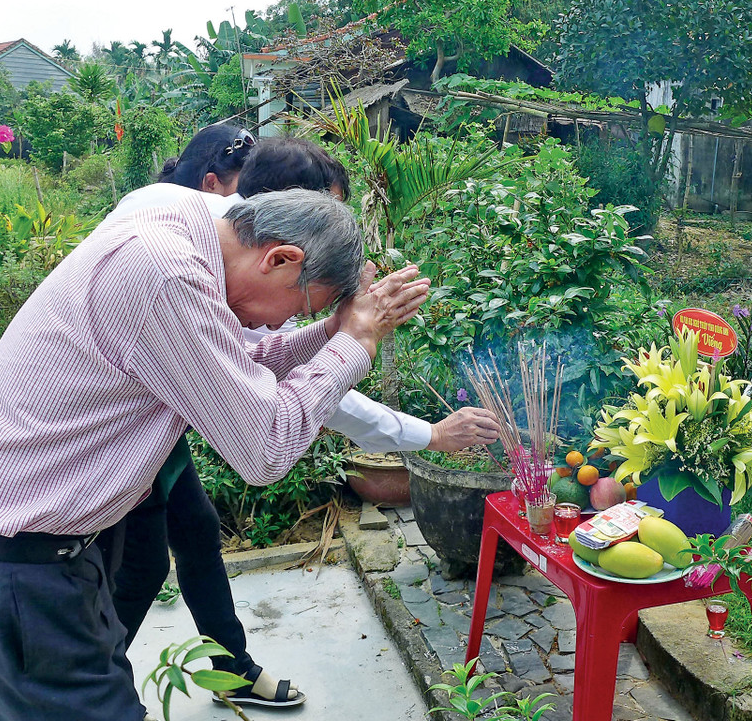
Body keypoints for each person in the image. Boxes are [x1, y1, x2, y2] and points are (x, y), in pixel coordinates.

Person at [0, 188, 491, 721]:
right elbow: (264, 449)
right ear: (280, 258)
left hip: (33, 555)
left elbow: (240, 366)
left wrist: (335, 330)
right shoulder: (167, 275)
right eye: (299, 308)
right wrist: (356, 342)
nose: (281, 323)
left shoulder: (180, 229)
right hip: (12, 567)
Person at [101, 131, 494, 709]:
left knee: (196, 533)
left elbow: (260, 359)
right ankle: (97, 685)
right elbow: (271, 438)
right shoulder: (179, 276)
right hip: (62, 501)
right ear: (281, 236)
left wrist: (332, 328)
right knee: (138, 566)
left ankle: (221, 668)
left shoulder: (195, 230)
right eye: (321, 220)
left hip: (141, 439)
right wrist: (368, 359)